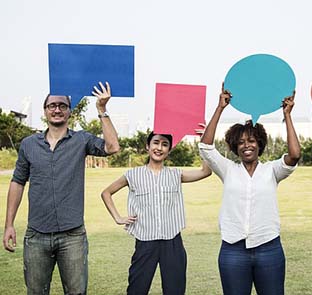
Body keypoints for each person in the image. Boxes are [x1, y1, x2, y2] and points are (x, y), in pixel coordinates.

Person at [3, 81, 120, 295]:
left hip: (72, 236)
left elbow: (112, 147)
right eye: (52, 105)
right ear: (45, 111)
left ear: (69, 111)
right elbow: (18, 182)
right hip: (36, 234)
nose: (57, 109)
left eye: (62, 106)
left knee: (76, 292)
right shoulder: (28, 144)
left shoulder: (81, 140)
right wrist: (9, 224)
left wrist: (102, 109)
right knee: (36, 292)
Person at [198, 83, 301, 295]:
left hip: (269, 249)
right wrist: (220, 108)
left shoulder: (272, 170)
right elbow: (206, 147)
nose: (247, 145)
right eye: (241, 142)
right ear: (235, 147)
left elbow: (294, 155)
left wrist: (287, 115)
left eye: (252, 141)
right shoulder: (227, 169)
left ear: (260, 144)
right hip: (233, 250)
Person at [102, 131, 211, 295]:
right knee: (137, 289)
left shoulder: (176, 174)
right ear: (148, 146)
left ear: (169, 150)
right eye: (156, 143)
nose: (159, 148)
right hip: (145, 242)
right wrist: (118, 218)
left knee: (175, 290)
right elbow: (106, 193)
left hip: (172, 242)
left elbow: (205, 171)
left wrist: (203, 140)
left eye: (165, 144)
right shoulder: (132, 175)